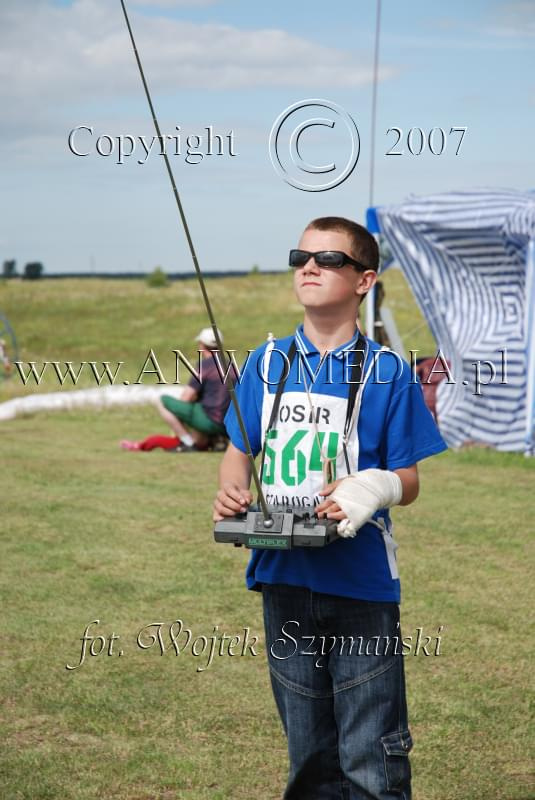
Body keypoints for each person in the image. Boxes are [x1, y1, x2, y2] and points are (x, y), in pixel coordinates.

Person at [213, 217, 447, 800]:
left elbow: (408, 480)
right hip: (282, 575)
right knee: (309, 751)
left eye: (329, 259)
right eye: (300, 257)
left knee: (371, 753)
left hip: (361, 584)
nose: (309, 267)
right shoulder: (266, 364)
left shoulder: (389, 372)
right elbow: (238, 453)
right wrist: (232, 491)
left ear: (365, 280)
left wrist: (371, 489)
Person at [155, 327, 231, 452]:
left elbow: (187, 397)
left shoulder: (205, 366)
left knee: (161, 401)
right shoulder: (231, 365)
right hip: (228, 423)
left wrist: (180, 422)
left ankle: (188, 442)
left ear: (202, 345)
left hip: (210, 420)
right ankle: (216, 439)